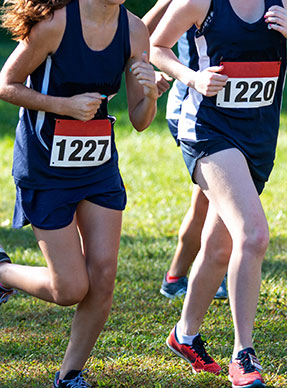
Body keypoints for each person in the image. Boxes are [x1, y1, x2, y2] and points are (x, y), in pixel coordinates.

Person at [0, 0, 158, 386]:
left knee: (103, 276)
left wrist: (151, 94)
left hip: (97, 166)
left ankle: (70, 374)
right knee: (69, 288)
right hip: (45, 167)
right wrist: (64, 106)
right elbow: (6, 84)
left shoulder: (135, 30)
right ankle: (2, 271)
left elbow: (140, 121)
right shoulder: (55, 24)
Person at [150, 0, 287, 387]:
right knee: (252, 235)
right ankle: (243, 355)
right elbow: (155, 47)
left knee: (218, 248)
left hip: (259, 137)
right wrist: (192, 78)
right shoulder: (200, 2)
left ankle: (184, 335)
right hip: (208, 130)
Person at [142, 0, 227, 300]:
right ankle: (182, 275)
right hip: (191, 108)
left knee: (213, 201)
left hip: (229, 112)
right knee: (211, 200)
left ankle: (194, 271)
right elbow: (138, 34)